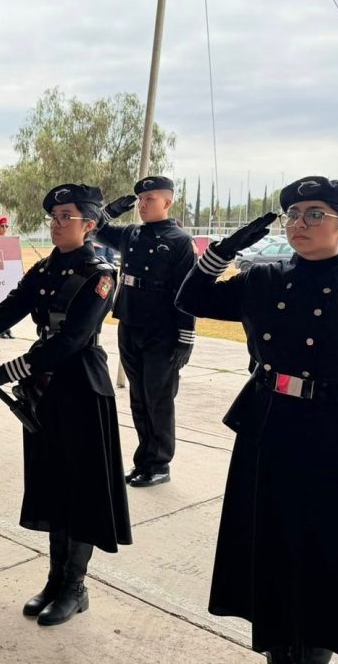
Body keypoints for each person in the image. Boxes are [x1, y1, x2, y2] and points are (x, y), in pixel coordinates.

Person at [176, 177, 338, 664]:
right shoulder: (263, 278)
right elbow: (190, 299)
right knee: (269, 547)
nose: (300, 224)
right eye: (294, 215)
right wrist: (224, 250)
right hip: (267, 425)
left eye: (315, 214)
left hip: (332, 435)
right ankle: (278, 650)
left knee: (321, 560)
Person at [0, 183, 132, 627]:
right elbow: (8, 310)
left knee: (80, 489)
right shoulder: (46, 268)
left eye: (67, 216)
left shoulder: (100, 272)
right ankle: (54, 578)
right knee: (53, 482)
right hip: (43, 387)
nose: (56, 223)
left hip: (80, 385)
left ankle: (74, 586)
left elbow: (71, 341)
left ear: (90, 224)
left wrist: (2, 373)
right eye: (54, 216)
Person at [95, 176, 196, 487]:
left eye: (149, 199)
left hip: (162, 329)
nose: (142, 204)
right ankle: (145, 461)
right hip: (131, 322)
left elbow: (188, 292)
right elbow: (93, 227)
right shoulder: (132, 234)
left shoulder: (179, 240)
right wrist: (108, 211)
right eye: (140, 199)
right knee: (138, 397)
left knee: (158, 398)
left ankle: (160, 463)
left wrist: (185, 338)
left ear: (167, 202)